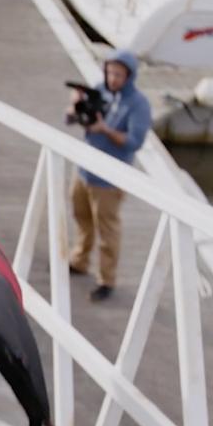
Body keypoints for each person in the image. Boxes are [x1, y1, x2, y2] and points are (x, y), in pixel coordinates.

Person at [67, 50, 152, 302]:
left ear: (129, 76)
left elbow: (134, 142)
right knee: (81, 218)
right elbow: (71, 119)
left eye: (118, 74)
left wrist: (104, 129)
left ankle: (107, 279)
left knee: (108, 231)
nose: (112, 78)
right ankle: (79, 261)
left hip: (109, 179)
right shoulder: (98, 91)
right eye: (110, 72)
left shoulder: (139, 104)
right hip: (84, 170)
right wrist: (75, 105)